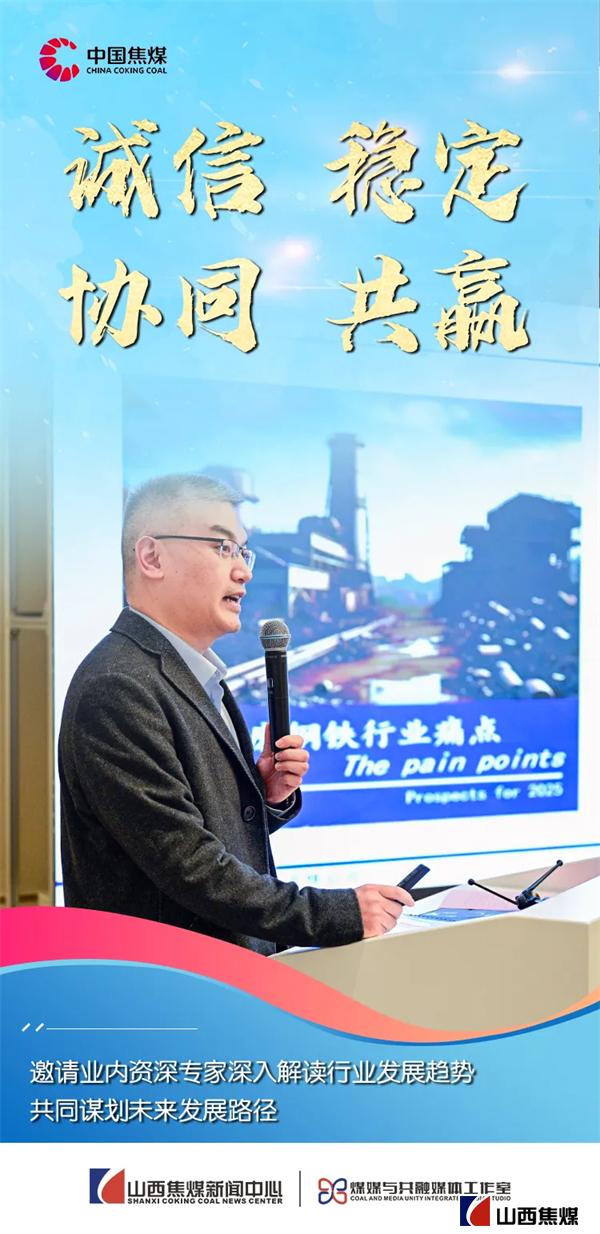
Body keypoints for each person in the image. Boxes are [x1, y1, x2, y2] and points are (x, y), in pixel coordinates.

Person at [59, 474, 413, 955]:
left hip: (221, 980)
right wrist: (340, 913)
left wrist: (260, 797)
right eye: (222, 547)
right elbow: (191, 867)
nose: (243, 571)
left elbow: (187, 833)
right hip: (165, 987)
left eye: (244, 552)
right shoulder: (118, 686)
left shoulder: (197, 677)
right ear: (152, 557)